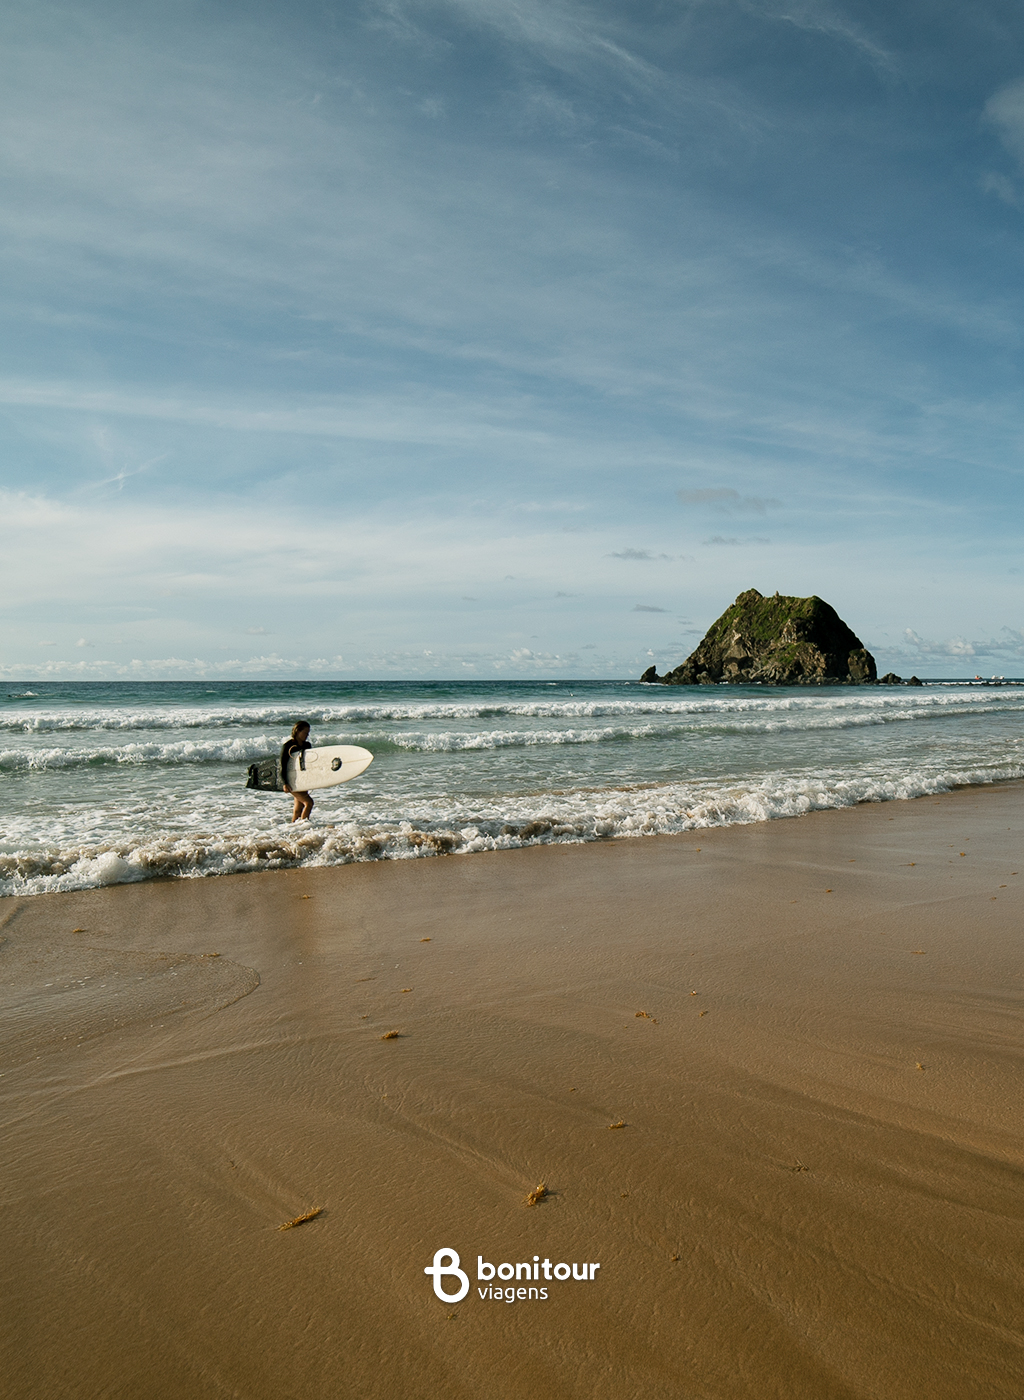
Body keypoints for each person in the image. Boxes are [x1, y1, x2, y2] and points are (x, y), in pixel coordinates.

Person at [281, 721, 314, 822]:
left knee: (297, 810)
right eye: (305, 733)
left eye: (308, 733)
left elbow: (311, 764)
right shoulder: (288, 746)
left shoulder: (307, 745)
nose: (307, 736)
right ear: (297, 731)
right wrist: (284, 783)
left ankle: (293, 829)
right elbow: (282, 766)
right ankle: (303, 827)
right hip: (292, 781)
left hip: (303, 780)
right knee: (309, 803)